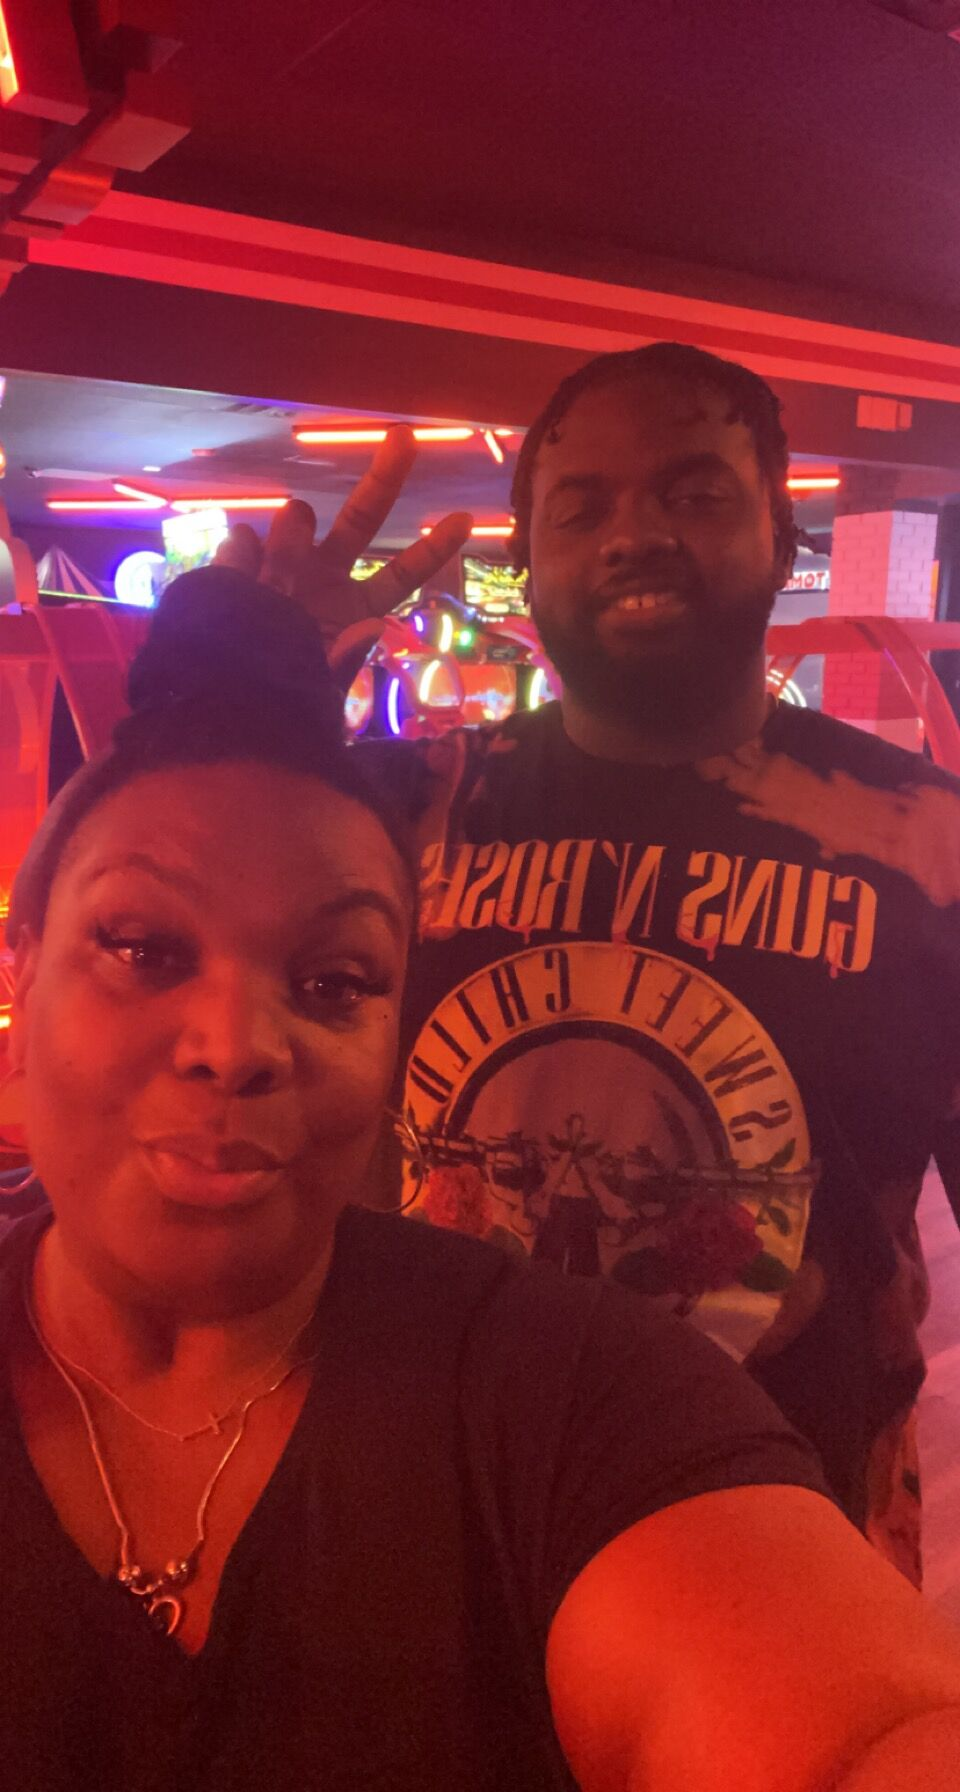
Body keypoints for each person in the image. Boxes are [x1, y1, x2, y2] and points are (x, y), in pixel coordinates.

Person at [5, 566, 960, 1790]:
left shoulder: (573, 1392)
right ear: (21, 976)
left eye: (335, 982)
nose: (236, 1044)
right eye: (144, 947)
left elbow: (854, 1731)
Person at [380, 341, 960, 1588]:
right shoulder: (402, 810)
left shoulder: (928, 844)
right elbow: (146, 932)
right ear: (526, 557)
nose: (634, 535)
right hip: (437, 1507)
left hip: (793, 1535)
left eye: (693, 493)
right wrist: (229, 688)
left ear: (783, 534)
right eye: (580, 507)